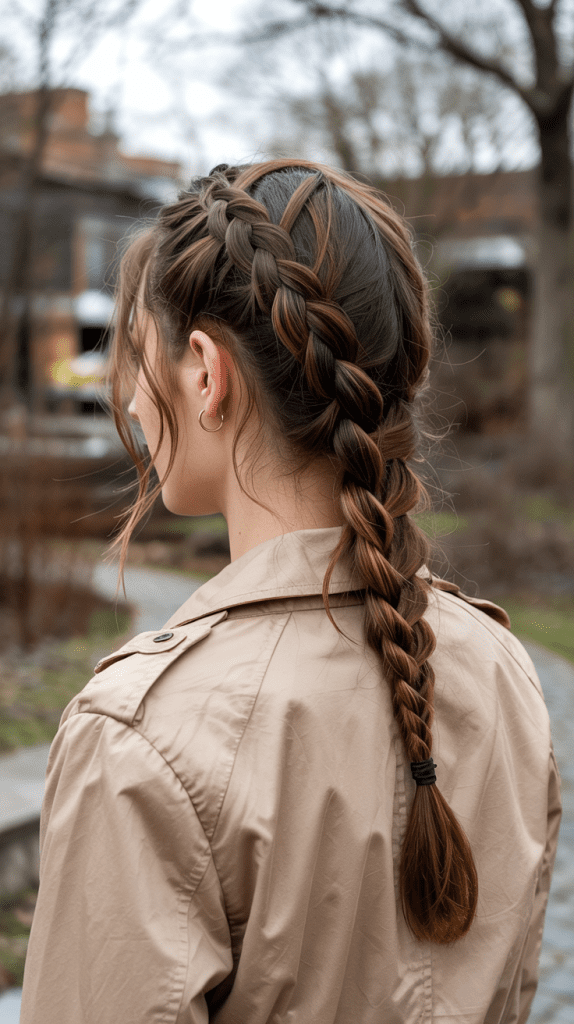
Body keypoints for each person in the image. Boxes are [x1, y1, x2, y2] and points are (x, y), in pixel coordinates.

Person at [21, 160, 560, 1024]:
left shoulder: (142, 737)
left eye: (135, 351)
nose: (126, 394)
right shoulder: (504, 671)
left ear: (205, 372)